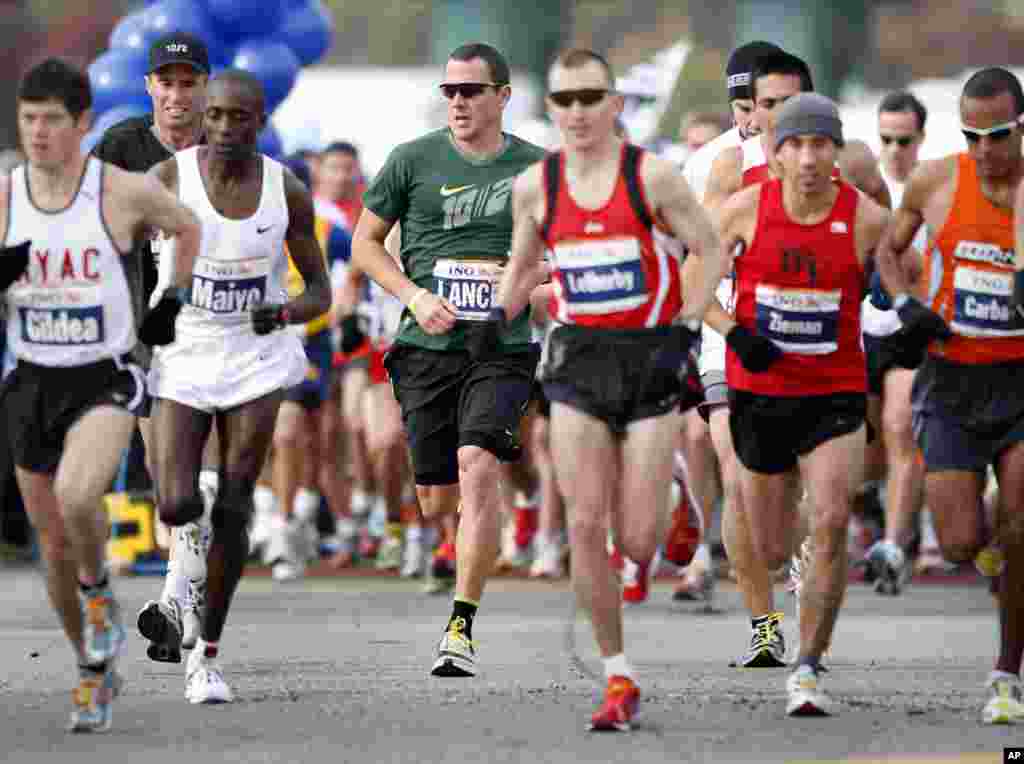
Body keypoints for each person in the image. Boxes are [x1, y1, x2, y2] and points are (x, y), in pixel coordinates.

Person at [489, 48, 728, 731]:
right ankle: (618, 674)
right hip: (577, 359)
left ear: (615, 103)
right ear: (552, 107)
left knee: (639, 537)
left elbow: (709, 248)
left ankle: (677, 492)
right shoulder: (536, 186)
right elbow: (522, 266)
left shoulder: (651, 177)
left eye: (590, 97)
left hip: (652, 356)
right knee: (586, 525)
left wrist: (687, 317)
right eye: (563, 100)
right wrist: (486, 327)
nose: (576, 112)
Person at [1, 58, 201, 731]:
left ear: (82, 123)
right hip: (33, 378)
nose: (37, 132)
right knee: (52, 544)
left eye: (52, 119)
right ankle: (93, 659)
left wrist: (169, 299)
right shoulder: (7, 196)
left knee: (77, 495)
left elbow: (189, 226)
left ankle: (95, 598)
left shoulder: (116, 188)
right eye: (28, 119)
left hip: (106, 374)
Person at [352, 42, 546, 677]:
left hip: (502, 345)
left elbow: (568, 255)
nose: (459, 102)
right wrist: (413, 294)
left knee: (478, 463)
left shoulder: (537, 168)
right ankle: (459, 533)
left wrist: (522, 282)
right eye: (450, 92)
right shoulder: (412, 160)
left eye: (471, 91)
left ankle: (461, 626)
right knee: (438, 501)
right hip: (426, 345)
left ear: (502, 96)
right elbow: (365, 244)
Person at [146, 69, 331, 704]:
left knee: (235, 500)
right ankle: (186, 561)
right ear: (205, 117)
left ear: (260, 123)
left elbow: (320, 293)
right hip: (187, 352)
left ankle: (205, 656)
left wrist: (282, 312)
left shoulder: (288, 191)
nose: (225, 128)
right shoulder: (170, 179)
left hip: (256, 355)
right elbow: (120, 246)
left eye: (239, 118)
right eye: (216, 116)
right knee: (174, 503)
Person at [707, 93, 890, 716]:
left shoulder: (864, 217)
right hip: (760, 392)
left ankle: (809, 667)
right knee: (773, 546)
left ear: (836, 152)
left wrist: (907, 307)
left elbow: (907, 278)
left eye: (819, 145)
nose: (808, 158)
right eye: (794, 145)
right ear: (775, 153)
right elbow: (691, 289)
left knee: (833, 520)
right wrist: (735, 333)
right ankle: (782, 606)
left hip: (835, 391)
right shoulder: (740, 211)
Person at [881, 67, 1024, 725]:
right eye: (973, 135)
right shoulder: (936, 178)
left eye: (998, 135)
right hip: (952, 376)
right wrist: (907, 305)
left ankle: (1006, 673)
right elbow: (888, 249)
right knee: (964, 542)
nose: (985, 149)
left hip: (1019, 379)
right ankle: (995, 554)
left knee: (1021, 529)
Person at [91, 31, 214, 662]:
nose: (176, 94)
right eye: (165, 82)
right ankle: (182, 596)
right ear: (148, 88)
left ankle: (176, 603)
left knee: (202, 476)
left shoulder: (227, 147)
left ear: (204, 88)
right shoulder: (120, 147)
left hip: (218, 333)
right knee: (170, 474)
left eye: (188, 82)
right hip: (145, 336)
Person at [674, 40, 782, 607]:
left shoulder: (824, 152)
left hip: (801, 327)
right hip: (722, 320)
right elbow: (685, 248)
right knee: (721, 451)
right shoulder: (710, 162)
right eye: (738, 104)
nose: (749, 118)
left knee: (777, 470)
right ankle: (705, 556)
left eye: (757, 103)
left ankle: (790, 556)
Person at [860, 91, 931, 593]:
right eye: (886, 138)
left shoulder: (932, 189)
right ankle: (870, 510)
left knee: (900, 428)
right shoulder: (864, 190)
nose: (894, 148)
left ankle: (891, 547)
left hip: (910, 334)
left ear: (920, 138)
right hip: (860, 332)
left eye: (904, 139)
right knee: (865, 448)